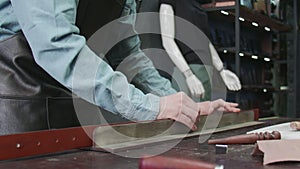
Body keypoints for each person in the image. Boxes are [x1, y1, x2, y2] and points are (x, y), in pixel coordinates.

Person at [0, 0, 240, 135]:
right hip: (21, 102)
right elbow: (57, 45)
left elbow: (127, 54)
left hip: (74, 100)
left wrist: (182, 104)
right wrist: (149, 107)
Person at [138, 0, 241, 101]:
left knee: (204, 113)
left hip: (206, 69)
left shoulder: (197, 5)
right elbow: (168, 41)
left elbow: (206, 42)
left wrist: (221, 70)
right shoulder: (170, 2)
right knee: (187, 112)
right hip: (187, 69)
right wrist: (188, 74)